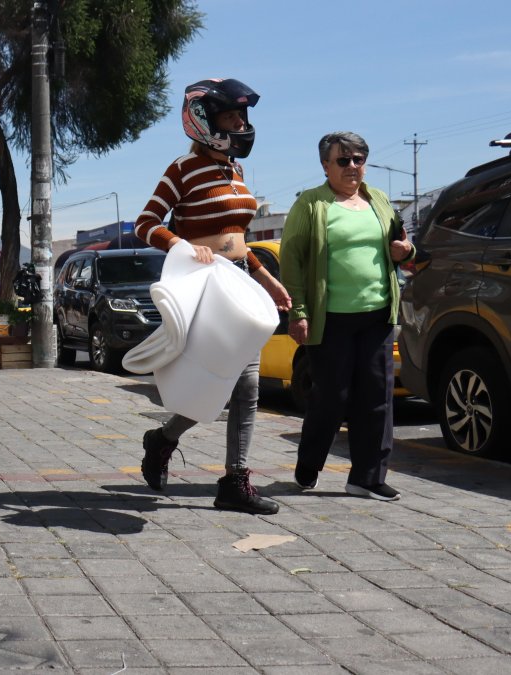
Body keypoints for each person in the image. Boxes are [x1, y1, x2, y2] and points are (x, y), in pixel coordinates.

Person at [132, 78, 291, 516]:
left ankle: (232, 479)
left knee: (245, 384)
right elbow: (146, 224)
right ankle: (165, 440)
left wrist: (265, 277)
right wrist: (183, 246)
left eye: (242, 116)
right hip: (205, 285)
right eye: (231, 116)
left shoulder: (235, 171)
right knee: (218, 382)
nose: (240, 124)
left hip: (237, 280)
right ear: (205, 122)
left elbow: (236, 238)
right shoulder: (182, 169)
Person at [282, 131, 415, 502]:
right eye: (343, 160)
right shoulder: (311, 204)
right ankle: (309, 462)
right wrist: (298, 311)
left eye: (359, 159)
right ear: (325, 165)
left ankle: (367, 478)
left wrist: (406, 250)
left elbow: (403, 244)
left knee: (377, 398)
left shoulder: (379, 200)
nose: (352, 166)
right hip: (331, 319)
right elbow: (291, 259)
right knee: (331, 398)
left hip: (377, 315)